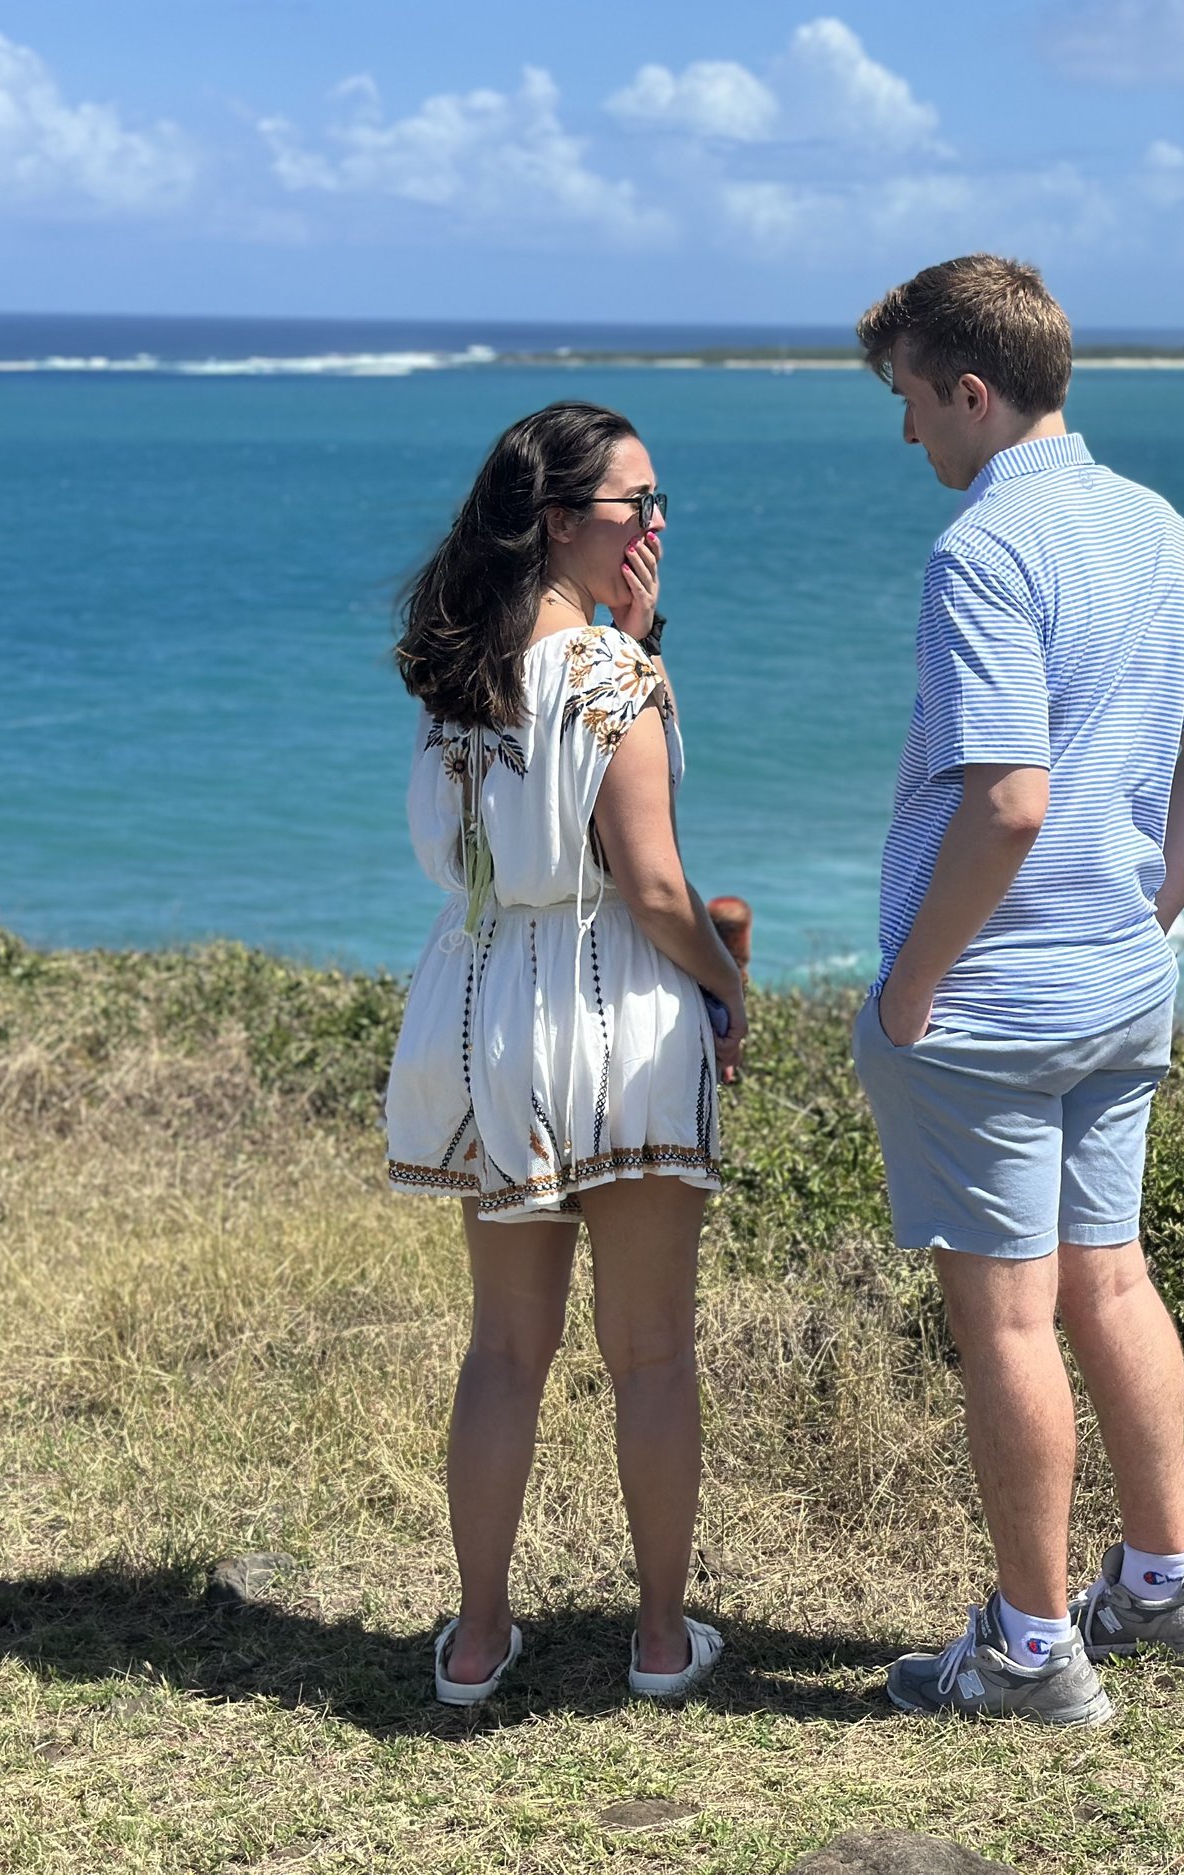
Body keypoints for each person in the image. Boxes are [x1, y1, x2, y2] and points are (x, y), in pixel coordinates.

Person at [848, 255, 1184, 1725]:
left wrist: (916, 988)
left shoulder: (984, 553)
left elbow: (1007, 799)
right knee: (1115, 1278)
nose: (907, 435)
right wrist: (1152, 914)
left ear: (970, 390)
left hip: (992, 1007)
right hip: (1117, 983)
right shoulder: (1161, 529)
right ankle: (1165, 1583)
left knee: (1011, 1323)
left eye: (908, 399)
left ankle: (1032, 1649)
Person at [382, 402, 748, 1707]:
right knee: (649, 1349)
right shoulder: (612, 678)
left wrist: (622, 638)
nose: (654, 528)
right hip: (621, 1009)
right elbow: (651, 886)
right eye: (632, 506)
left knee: (503, 1350)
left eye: (658, 505)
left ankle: (478, 1643)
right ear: (557, 522)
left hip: (490, 1008)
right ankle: (658, 1639)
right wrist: (727, 983)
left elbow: (508, 830)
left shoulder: (453, 679)